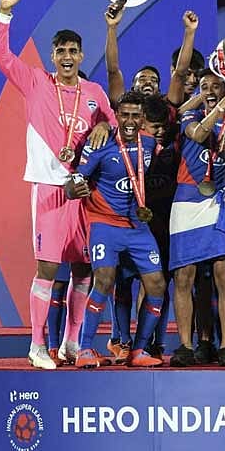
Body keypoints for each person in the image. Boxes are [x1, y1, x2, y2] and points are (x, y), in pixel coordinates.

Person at [0, 0, 115, 369]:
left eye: (72, 51)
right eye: (59, 51)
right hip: (49, 189)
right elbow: (0, 55)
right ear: (52, 56)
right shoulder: (35, 82)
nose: (66, 57)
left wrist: (105, 129)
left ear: (81, 56)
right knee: (47, 267)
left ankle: (71, 342)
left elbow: (113, 123)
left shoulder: (94, 92)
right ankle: (36, 345)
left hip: (83, 190)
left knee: (83, 268)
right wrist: (3, 13)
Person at [64, 92, 166, 368]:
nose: (130, 121)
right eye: (125, 115)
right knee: (105, 279)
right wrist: (73, 189)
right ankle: (85, 348)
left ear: (143, 118)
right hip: (104, 223)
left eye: (136, 115)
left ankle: (139, 350)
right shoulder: (100, 143)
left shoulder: (148, 143)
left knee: (157, 284)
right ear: (116, 116)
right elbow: (75, 180)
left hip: (137, 226)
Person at [168, 70, 225, 367]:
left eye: (216, 86)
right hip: (186, 201)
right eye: (204, 86)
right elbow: (199, 135)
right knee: (184, 277)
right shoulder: (190, 117)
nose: (210, 90)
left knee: (223, 274)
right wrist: (221, 105)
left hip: (216, 201)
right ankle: (185, 345)